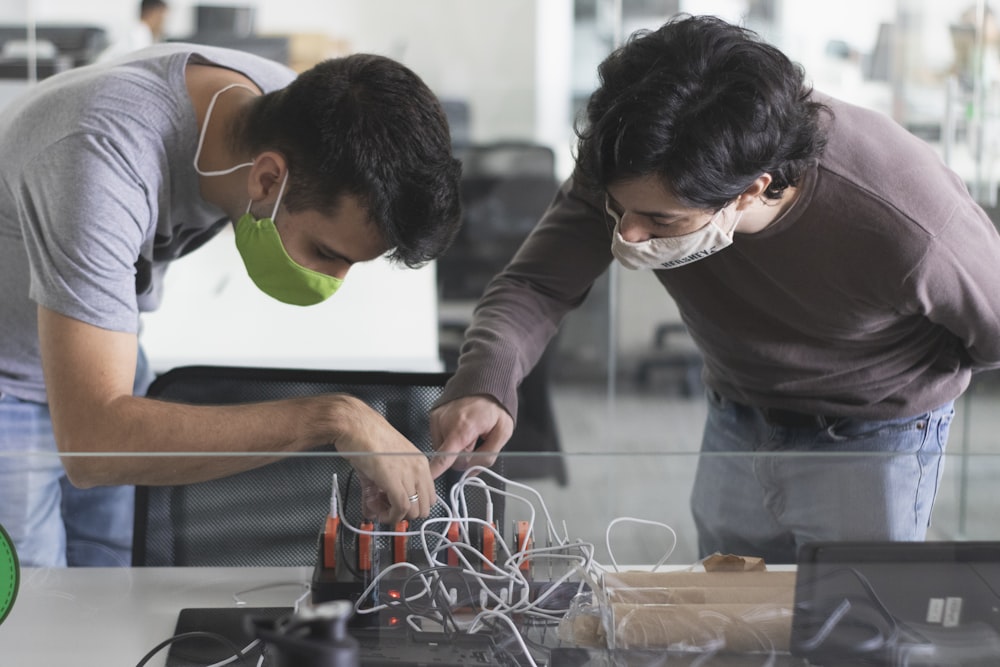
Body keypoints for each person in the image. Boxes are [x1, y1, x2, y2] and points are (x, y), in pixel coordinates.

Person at [429, 14, 1000, 564]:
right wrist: (486, 382)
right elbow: (536, 283)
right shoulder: (631, 160)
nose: (626, 230)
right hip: (736, 410)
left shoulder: (906, 217)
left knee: (856, 631)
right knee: (726, 621)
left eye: (659, 219)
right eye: (616, 208)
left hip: (873, 435)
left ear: (751, 191)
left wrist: (895, 378)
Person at [0, 42, 462, 567]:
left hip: (101, 361)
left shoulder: (285, 112)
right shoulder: (99, 159)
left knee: (104, 596)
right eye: (327, 252)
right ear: (267, 179)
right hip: (11, 384)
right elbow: (93, 443)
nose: (333, 280)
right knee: (28, 624)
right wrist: (335, 419)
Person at [97, 0, 170, 62]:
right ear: (154, 14)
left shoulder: (137, 32)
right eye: (163, 17)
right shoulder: (139, 36)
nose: (164, 23)